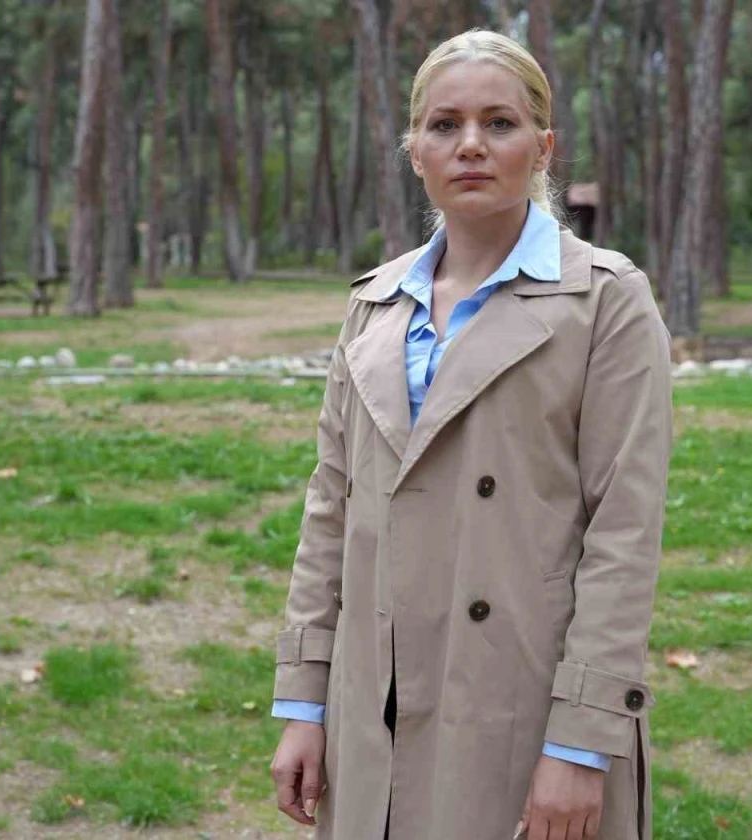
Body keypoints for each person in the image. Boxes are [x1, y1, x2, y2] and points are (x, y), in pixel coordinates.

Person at [269, 29, 672, 840]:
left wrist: (580, 742)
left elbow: (624, 534)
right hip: (372, 706)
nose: (472, 145)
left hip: (522, 708)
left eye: (500, 123)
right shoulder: (375, 304)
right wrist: (304, 702)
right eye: (445, 125)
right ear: (414, 150)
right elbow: (331, 510)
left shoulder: (605, 301)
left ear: (543, 147)